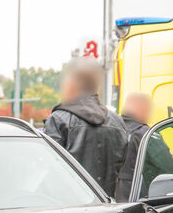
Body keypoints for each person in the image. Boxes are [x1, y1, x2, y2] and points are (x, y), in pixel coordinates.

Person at [44, 63, 127, 195]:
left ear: (72, 86)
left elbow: (48, 168)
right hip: (108, 207)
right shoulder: (118, 122)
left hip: (68, 207)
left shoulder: (58, 119)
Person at [114, 92, 153, 200]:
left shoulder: (111, 127)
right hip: (135, 200)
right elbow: (165, 165)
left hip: (109, 199)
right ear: (142, 109)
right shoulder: (143, 133)